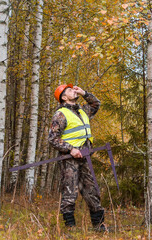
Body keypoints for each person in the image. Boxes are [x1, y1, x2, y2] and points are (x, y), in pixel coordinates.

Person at [48, 84, 106, 231]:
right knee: (69, 193)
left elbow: (96, 103)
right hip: (69, 160)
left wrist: (84, 93)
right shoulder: (60, 114)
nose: (73, 90)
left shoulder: (83, 110)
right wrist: (70, 149)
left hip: (85, 157)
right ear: (63, 97)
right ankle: (70, 229)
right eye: (69, 90)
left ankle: (99, 226)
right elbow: (52, 138)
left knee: (92, 191)